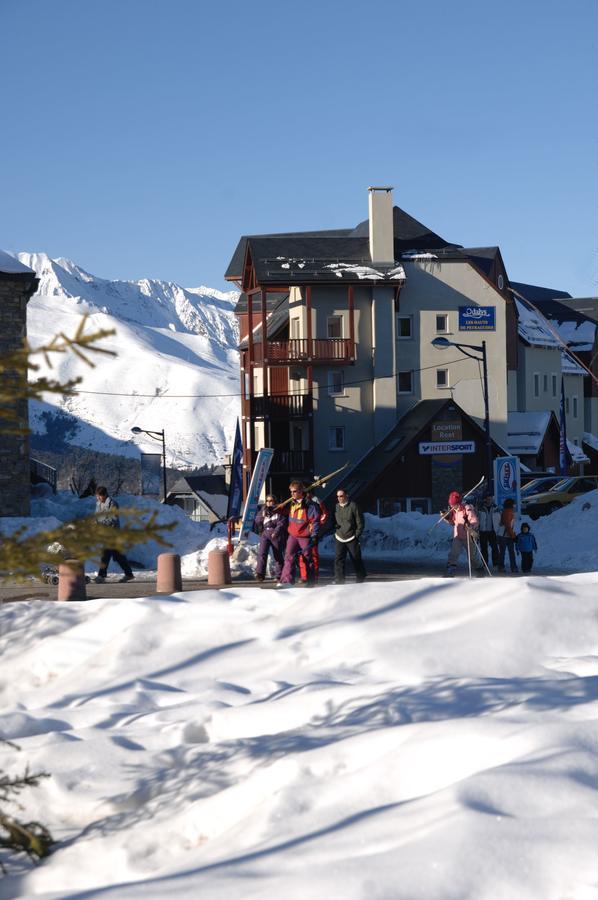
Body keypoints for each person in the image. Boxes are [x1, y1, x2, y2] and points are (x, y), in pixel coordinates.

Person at [278, 481, 320, 585]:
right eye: (291, 492)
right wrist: (274, 509)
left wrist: (314, 535)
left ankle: (310, 580)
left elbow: (315, 521)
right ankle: (286, 581)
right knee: (288, 557)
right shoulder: (291, 503)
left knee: (307, 558)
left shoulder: (309, 505)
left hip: (304, 536)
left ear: (301, 491)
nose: (292, 494)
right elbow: (283, 512)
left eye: (295, 491)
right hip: (293, 535)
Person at [94, 486, 134, 583]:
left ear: (104, 495)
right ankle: (129, 574)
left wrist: (100, 522)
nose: (97, 498)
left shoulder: (113, 504)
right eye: (97, 496)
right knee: (118, 555)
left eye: (99, 496)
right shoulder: (98, 504)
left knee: (105, 554)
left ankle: (101, 575)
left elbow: (113, 519)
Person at [444, 490, 484, 577]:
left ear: (458, 503)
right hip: (457, 536)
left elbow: (475, 521)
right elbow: (453, 523)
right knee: (454, 553)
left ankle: (479, 569)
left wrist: (471, 527)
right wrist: (446, 518)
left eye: (453, 505)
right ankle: (450, 570)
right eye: (451, 505)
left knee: (472, 556)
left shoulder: (467, 509)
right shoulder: (454, 511)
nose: (452, 507)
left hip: (467, 536)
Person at [333, 488, 366, 584]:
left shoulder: (353, 506)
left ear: (347, 495)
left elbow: (360, 522)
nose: (339, 498)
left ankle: (361, 576)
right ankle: (339, 579)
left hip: (351, 537)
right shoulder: (336, 507)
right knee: (338, 559)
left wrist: (357, 535)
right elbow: (333, 520)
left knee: (356, 558)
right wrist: (335, 527)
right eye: (338, 496)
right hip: (339, 536)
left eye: (341, 496)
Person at [254, 494, 287, 582]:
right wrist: (262, 516)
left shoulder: (279, 510)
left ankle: (279, 574)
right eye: (267, 501)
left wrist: (276, 532)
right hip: (265, 533)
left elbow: (282, 523)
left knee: (278, 555)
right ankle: (260, 574)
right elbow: (257, 520)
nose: (269, 503)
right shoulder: (263, 510)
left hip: (275, 534)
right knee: (262, 553)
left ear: (274, 502)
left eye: (271, 501)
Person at [298, 492, 329, 583]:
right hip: (301, 530)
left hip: (312, 531)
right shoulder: (298, 500)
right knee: (302, 554)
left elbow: (324, 514)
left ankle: (314, 576)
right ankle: (304, 576)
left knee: (313, 554)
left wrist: (318, 524)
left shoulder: (316, 500)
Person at [477, 493, 501, 569]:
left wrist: (498, 527)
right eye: (487, 499)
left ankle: (496, 562)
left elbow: (499, 518)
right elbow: (477, 518)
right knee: (484, 548)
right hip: (483, 531)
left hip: (492, 531)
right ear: (485, 499)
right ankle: (485, 563)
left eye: (490, 499)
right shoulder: (480, 508)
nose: (489, 500)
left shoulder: (495, 507)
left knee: (494, 547)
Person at [497, 498, 518, 574]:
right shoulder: (508, 512)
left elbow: (510, 526)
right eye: (513, 504)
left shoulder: (508, 511)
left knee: (505, 552)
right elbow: (508, 526)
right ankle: (509, 567)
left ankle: (507, 567)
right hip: (504, 536)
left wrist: (513, 535)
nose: (514, 505)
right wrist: (513, 537)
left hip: (506, 535)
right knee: (506, 552)